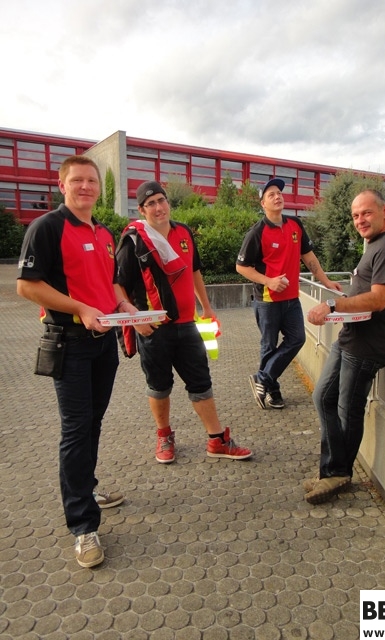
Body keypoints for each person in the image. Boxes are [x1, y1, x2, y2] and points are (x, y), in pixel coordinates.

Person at [17, 155, 129, 569]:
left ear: (99, 188)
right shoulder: (47, 227)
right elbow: (27, 286)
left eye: (91, 181)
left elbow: (108, 282)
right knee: (77, 430)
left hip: (104, 344)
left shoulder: (104, 232)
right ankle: (83, 525)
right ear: (62, 185)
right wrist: (80, 307)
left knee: (92, 424)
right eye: (77, 180)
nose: (85, 187)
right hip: (70, 344)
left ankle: (86, 488)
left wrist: (123, 305)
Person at [115, 180, 252, 465]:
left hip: (188, 324)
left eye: (161, 200)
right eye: (151, 204)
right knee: (159, 386)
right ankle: (164, 435)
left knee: (201, 382)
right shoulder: (134, 240)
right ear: (142, 210)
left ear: (168, 202)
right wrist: (135, 320)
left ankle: (216, 440)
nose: (158, 207)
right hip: (153, 328)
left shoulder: (184, 232)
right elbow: (117, 284)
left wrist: (207, 307)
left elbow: (194, 271)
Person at [304, 189, 385, 504]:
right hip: (350, 338)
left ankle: (338, 473)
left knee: (348, 411)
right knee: (323, 397)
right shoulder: (375, 244)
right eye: (355, 215)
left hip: (366, 346)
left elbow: (378, 299)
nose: (360, 220)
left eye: (366, 213)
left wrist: (332, 304)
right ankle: (332, 469)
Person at [236, 178, 341, 410]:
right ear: (263, 203)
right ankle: (272, 392)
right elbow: (241, 267)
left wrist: (326, 281)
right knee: (269, 346)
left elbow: (309, 257)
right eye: (271, 194)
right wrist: (269, 281)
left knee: (297, 339)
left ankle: (262, 378)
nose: (277, 197)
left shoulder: (295, 225)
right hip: (267, 301)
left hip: (292, 299)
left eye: (279, 193)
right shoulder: (257, 232)